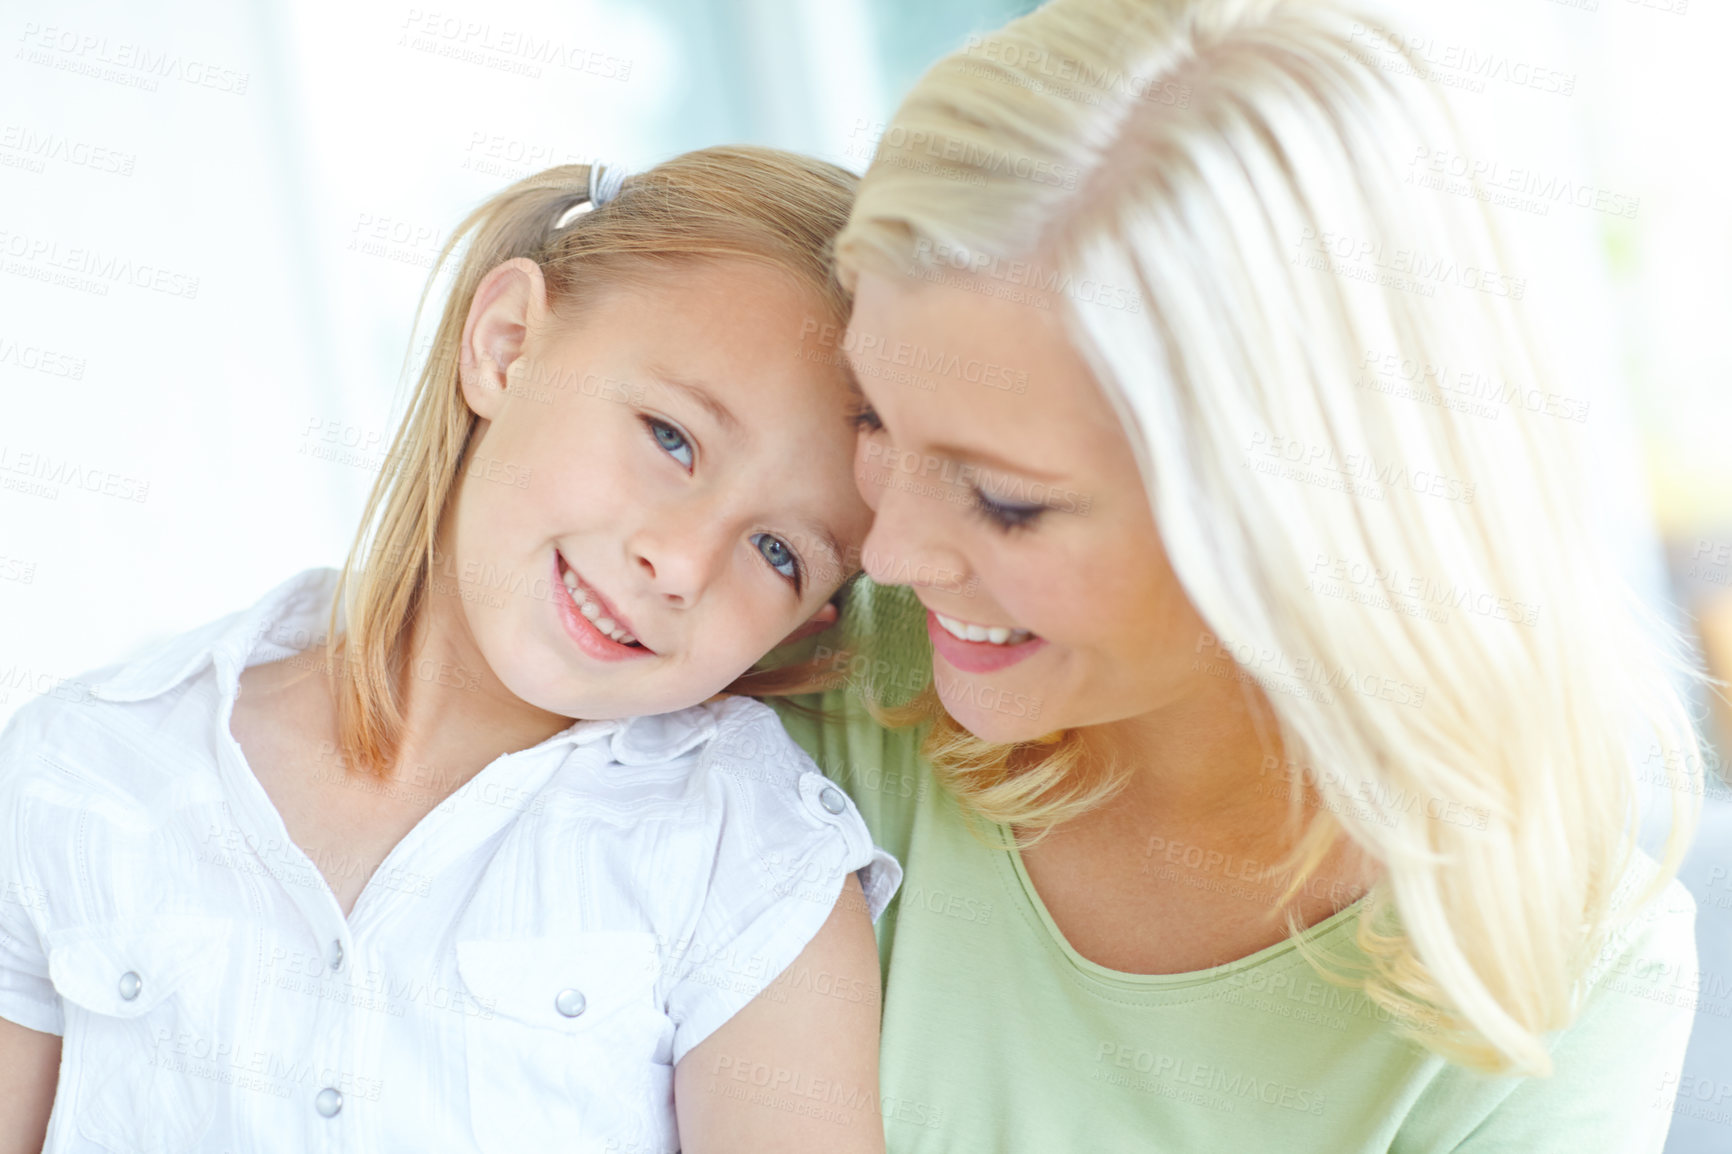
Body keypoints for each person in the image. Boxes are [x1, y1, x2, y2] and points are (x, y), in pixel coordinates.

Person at [771, 0, 1705, 1149]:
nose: (894, 551)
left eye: (1009, 502)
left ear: (1295, 507)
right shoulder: (791, 673)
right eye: (870, 415)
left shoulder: (1566, 974)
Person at [0, 148, 900, 1154]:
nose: (682, 561)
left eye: (777, 551)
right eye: (671, 436)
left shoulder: (750, 858)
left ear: (806, 617)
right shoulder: (85, 766)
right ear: (507, 344)